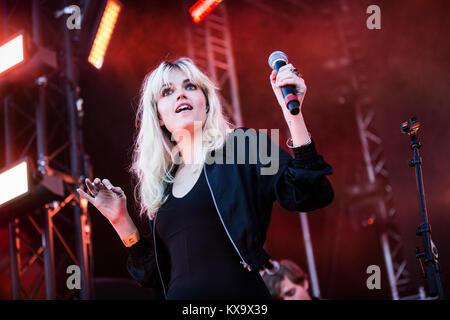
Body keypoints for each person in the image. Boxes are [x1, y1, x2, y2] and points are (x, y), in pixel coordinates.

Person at [76, 57, 333, 300]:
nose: (181, 94)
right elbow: (153, 272)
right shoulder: (162, 185)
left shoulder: (243, 144)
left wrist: (293, 115)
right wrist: (120, 219)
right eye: (167, 92)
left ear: (206, 102)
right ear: (159, 117)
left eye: (190, 86)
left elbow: (309, 193)